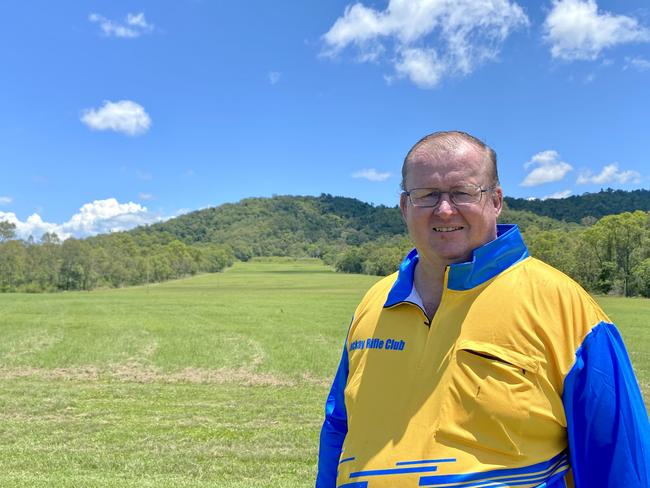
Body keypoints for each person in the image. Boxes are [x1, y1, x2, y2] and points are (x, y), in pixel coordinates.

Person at [316, 131, 650, 488]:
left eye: (462, 192)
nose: (444, 209)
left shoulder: (566, 307)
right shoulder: (374, 304)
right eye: (426, 195)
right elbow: (340, 427)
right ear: (404, 206)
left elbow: (619, 463)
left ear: (496, 201)